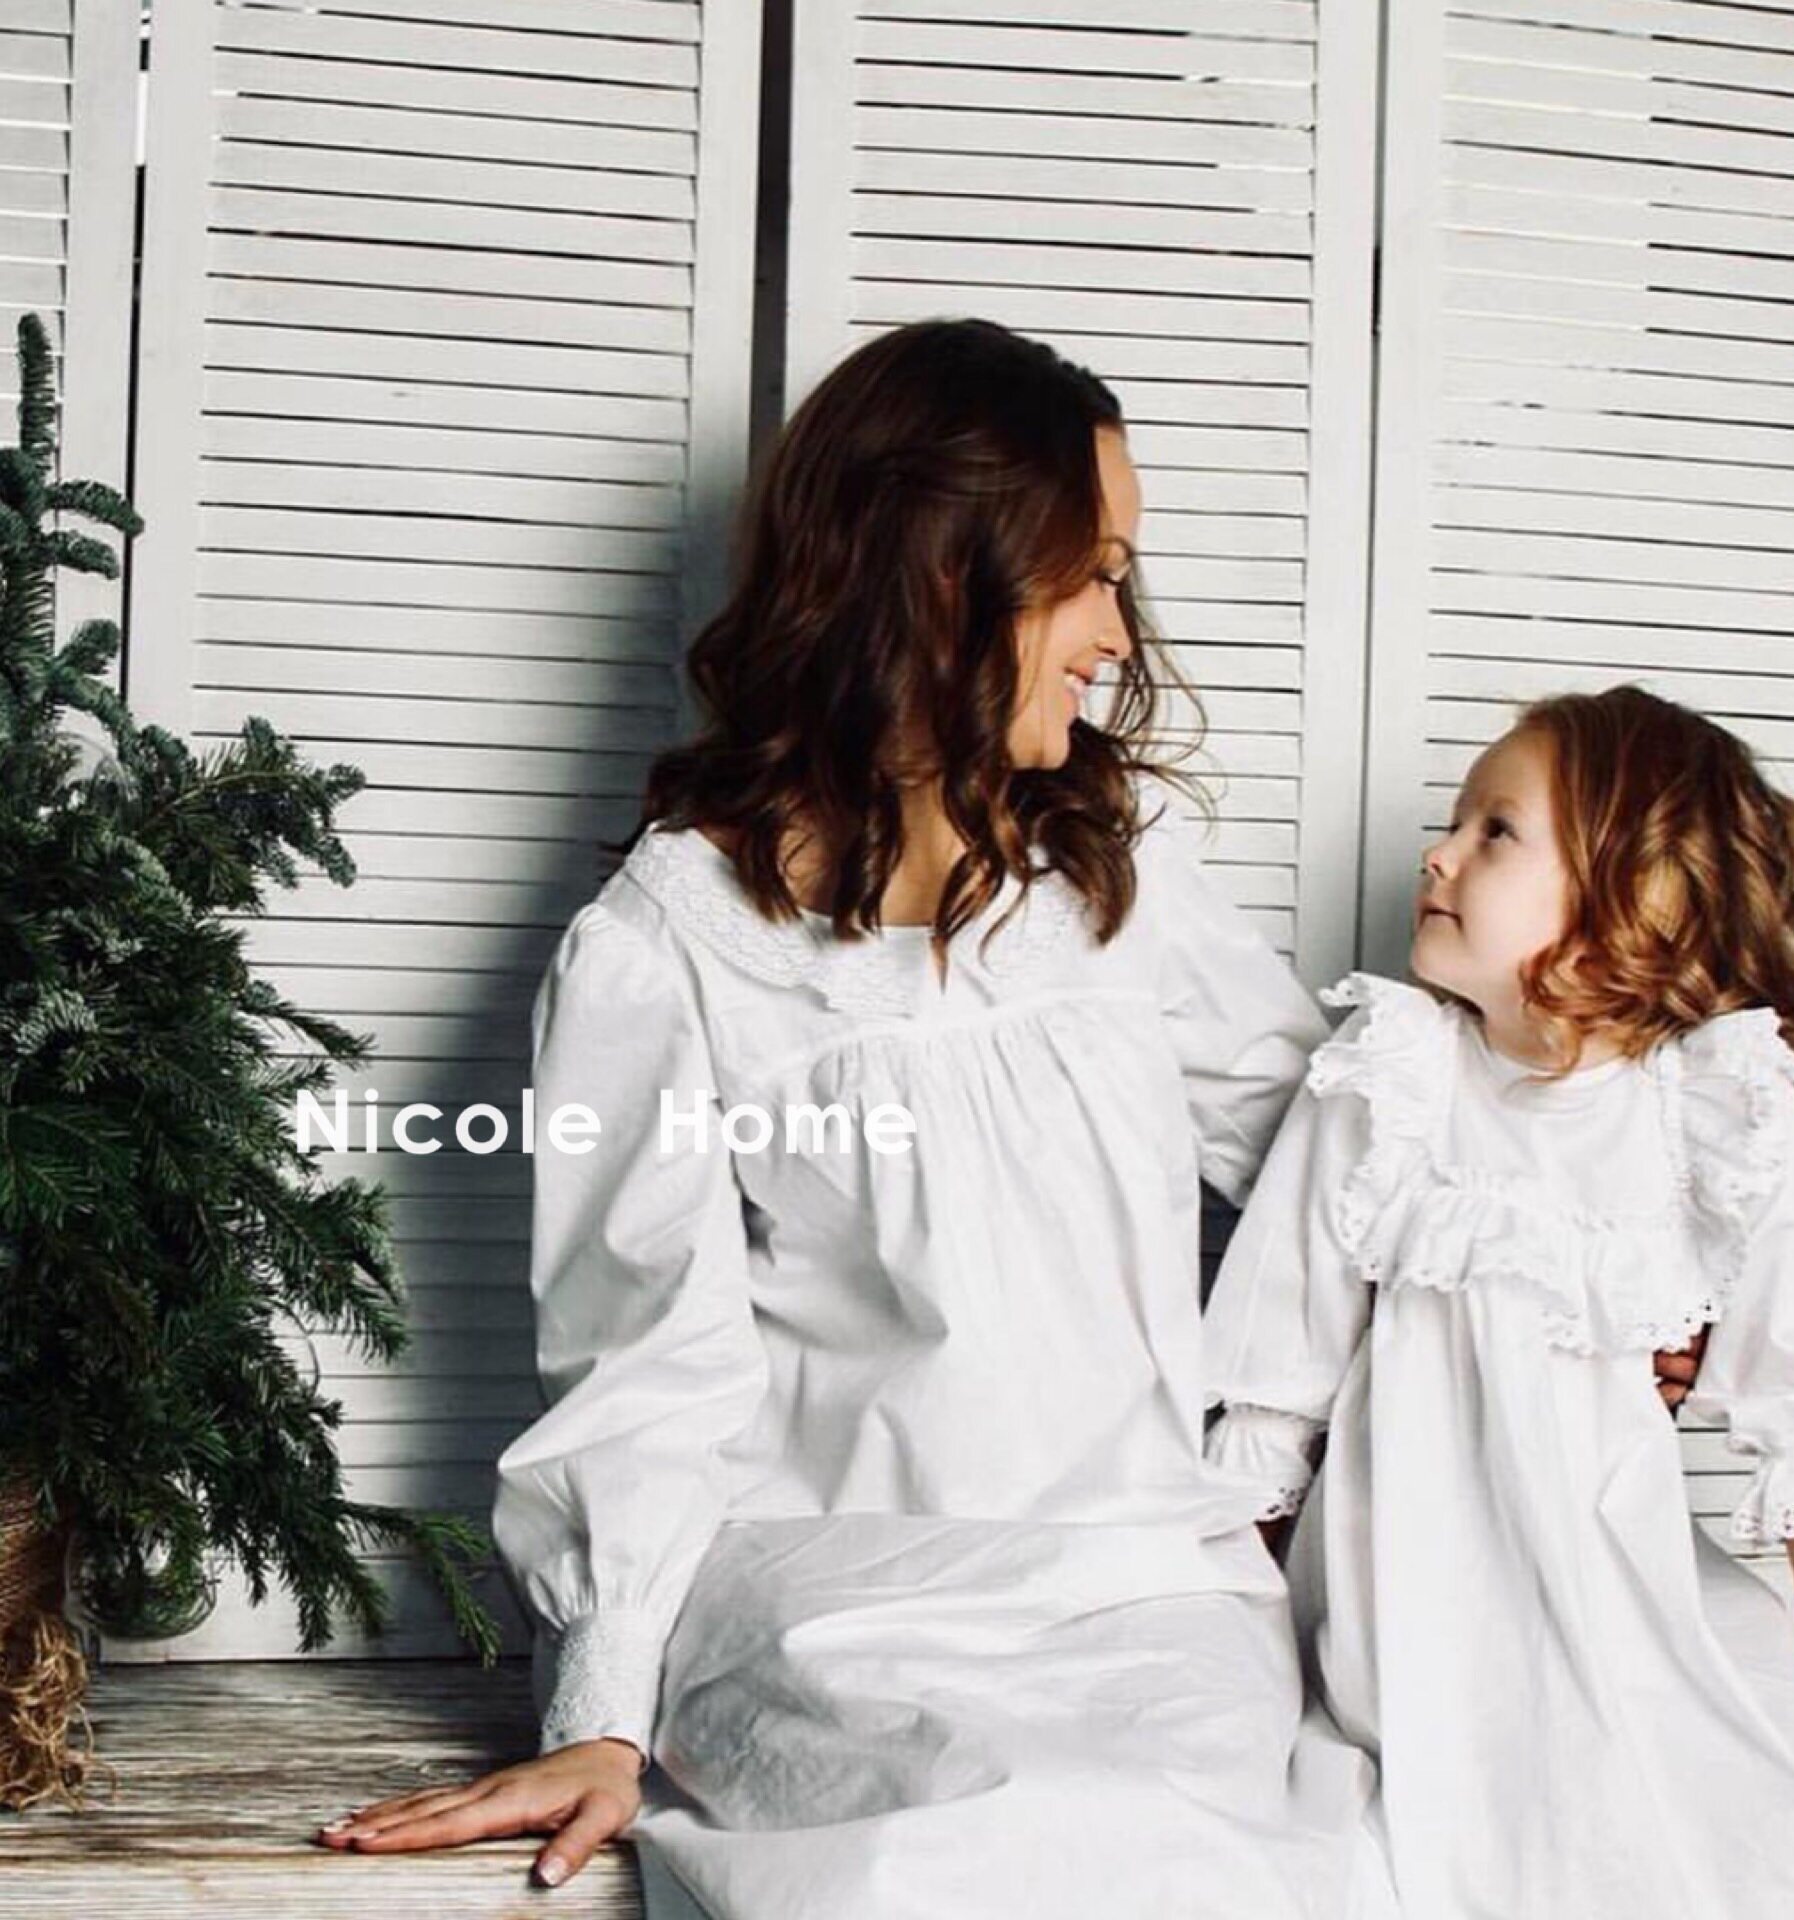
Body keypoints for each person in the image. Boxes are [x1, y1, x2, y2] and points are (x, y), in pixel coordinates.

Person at [309, 324, 1701, 1915]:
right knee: (963, 1857)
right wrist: (604, 1713)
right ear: (940, 572)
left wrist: (1594, 1291)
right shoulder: (663, 949)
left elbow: (1342, 1160)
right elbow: (641, 1366)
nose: (1118, 631)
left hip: (1145, 1580)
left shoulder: (1118, 875)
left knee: (1245, 1856)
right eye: (1091, 575)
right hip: (830, 1595)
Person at [1203, 685, 1794, 1919]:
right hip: (1404, 1605)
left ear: (1634, 892)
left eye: (1496, 831)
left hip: (1612, 1581)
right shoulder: (1390, 1082)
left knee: (1751, 1813)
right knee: (1444, 1824)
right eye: (1456, 824)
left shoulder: (1704, 1110)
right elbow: (1278, 1380)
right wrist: (1230, 1637)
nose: (1440, 854)